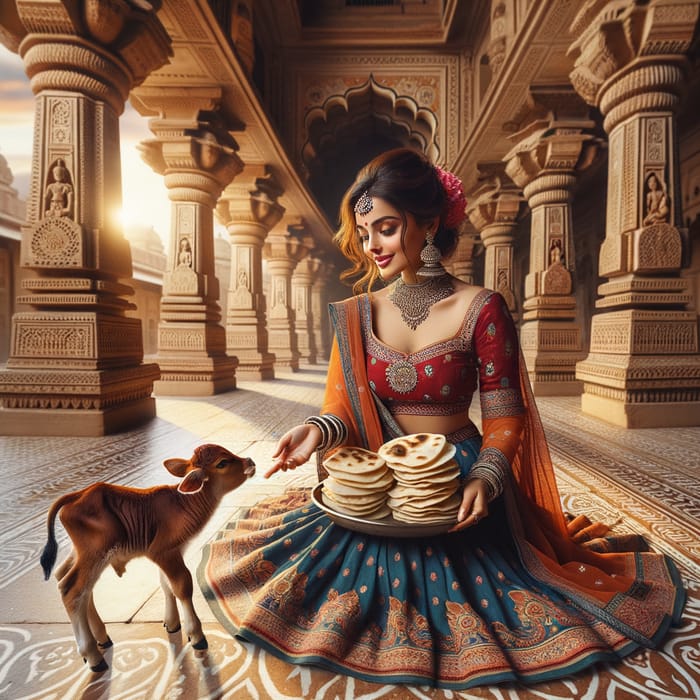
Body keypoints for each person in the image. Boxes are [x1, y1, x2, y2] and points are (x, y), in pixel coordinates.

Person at [200, 148, 685, 689]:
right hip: (378, 477)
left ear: (429, 222)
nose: (372, 246)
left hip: (457, 476)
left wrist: (488, 475)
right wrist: (316, 432)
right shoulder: (357, 313)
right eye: (364, 233)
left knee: (493, 583)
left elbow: (506, 414)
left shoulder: (482, 307)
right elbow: (341, 408)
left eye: (385, 228)